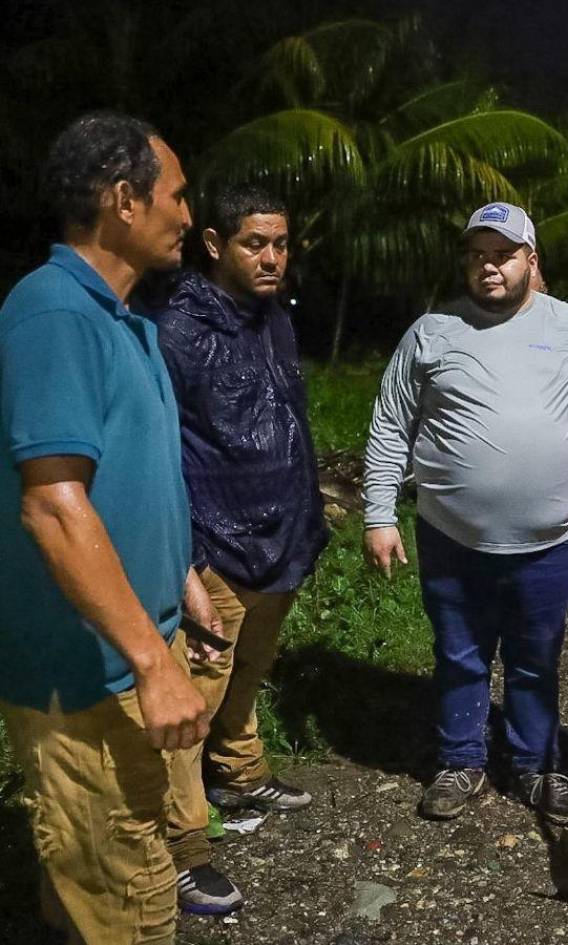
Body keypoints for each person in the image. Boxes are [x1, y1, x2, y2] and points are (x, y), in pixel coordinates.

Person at [0, 111, 211, 945]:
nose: (188, 217)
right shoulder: (54, 314)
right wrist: (152, 662)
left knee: (100, 876)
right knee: (132, 899)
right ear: (124, 200)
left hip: (130, 649)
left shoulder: (125, 322)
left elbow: (131, 474)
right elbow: (53, 504)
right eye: (177, 196)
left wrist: (181, 578)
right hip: (89, 674)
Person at [362, 202, 568, 825]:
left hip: (551, 542)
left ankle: (539, 766)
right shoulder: (432, 332)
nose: (489, 267)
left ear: (530, 261)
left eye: (504, 254)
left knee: (536, 657)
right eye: (478, 254)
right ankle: (461, 760)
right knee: (459, 654)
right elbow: (389, 427)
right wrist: (379, 513)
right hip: (451, 537)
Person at [151, 183, 329, 913]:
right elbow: (159, 449)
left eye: (281, 244)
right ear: (215, 244)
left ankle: (241, 768)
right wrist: (188, 557)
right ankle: (183, 845)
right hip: (217, 546)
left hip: (281, 536)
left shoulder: (274, 318)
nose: (272, 257)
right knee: (193, 699)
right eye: (256, 242)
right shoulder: (176, 328)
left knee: (251, 668)